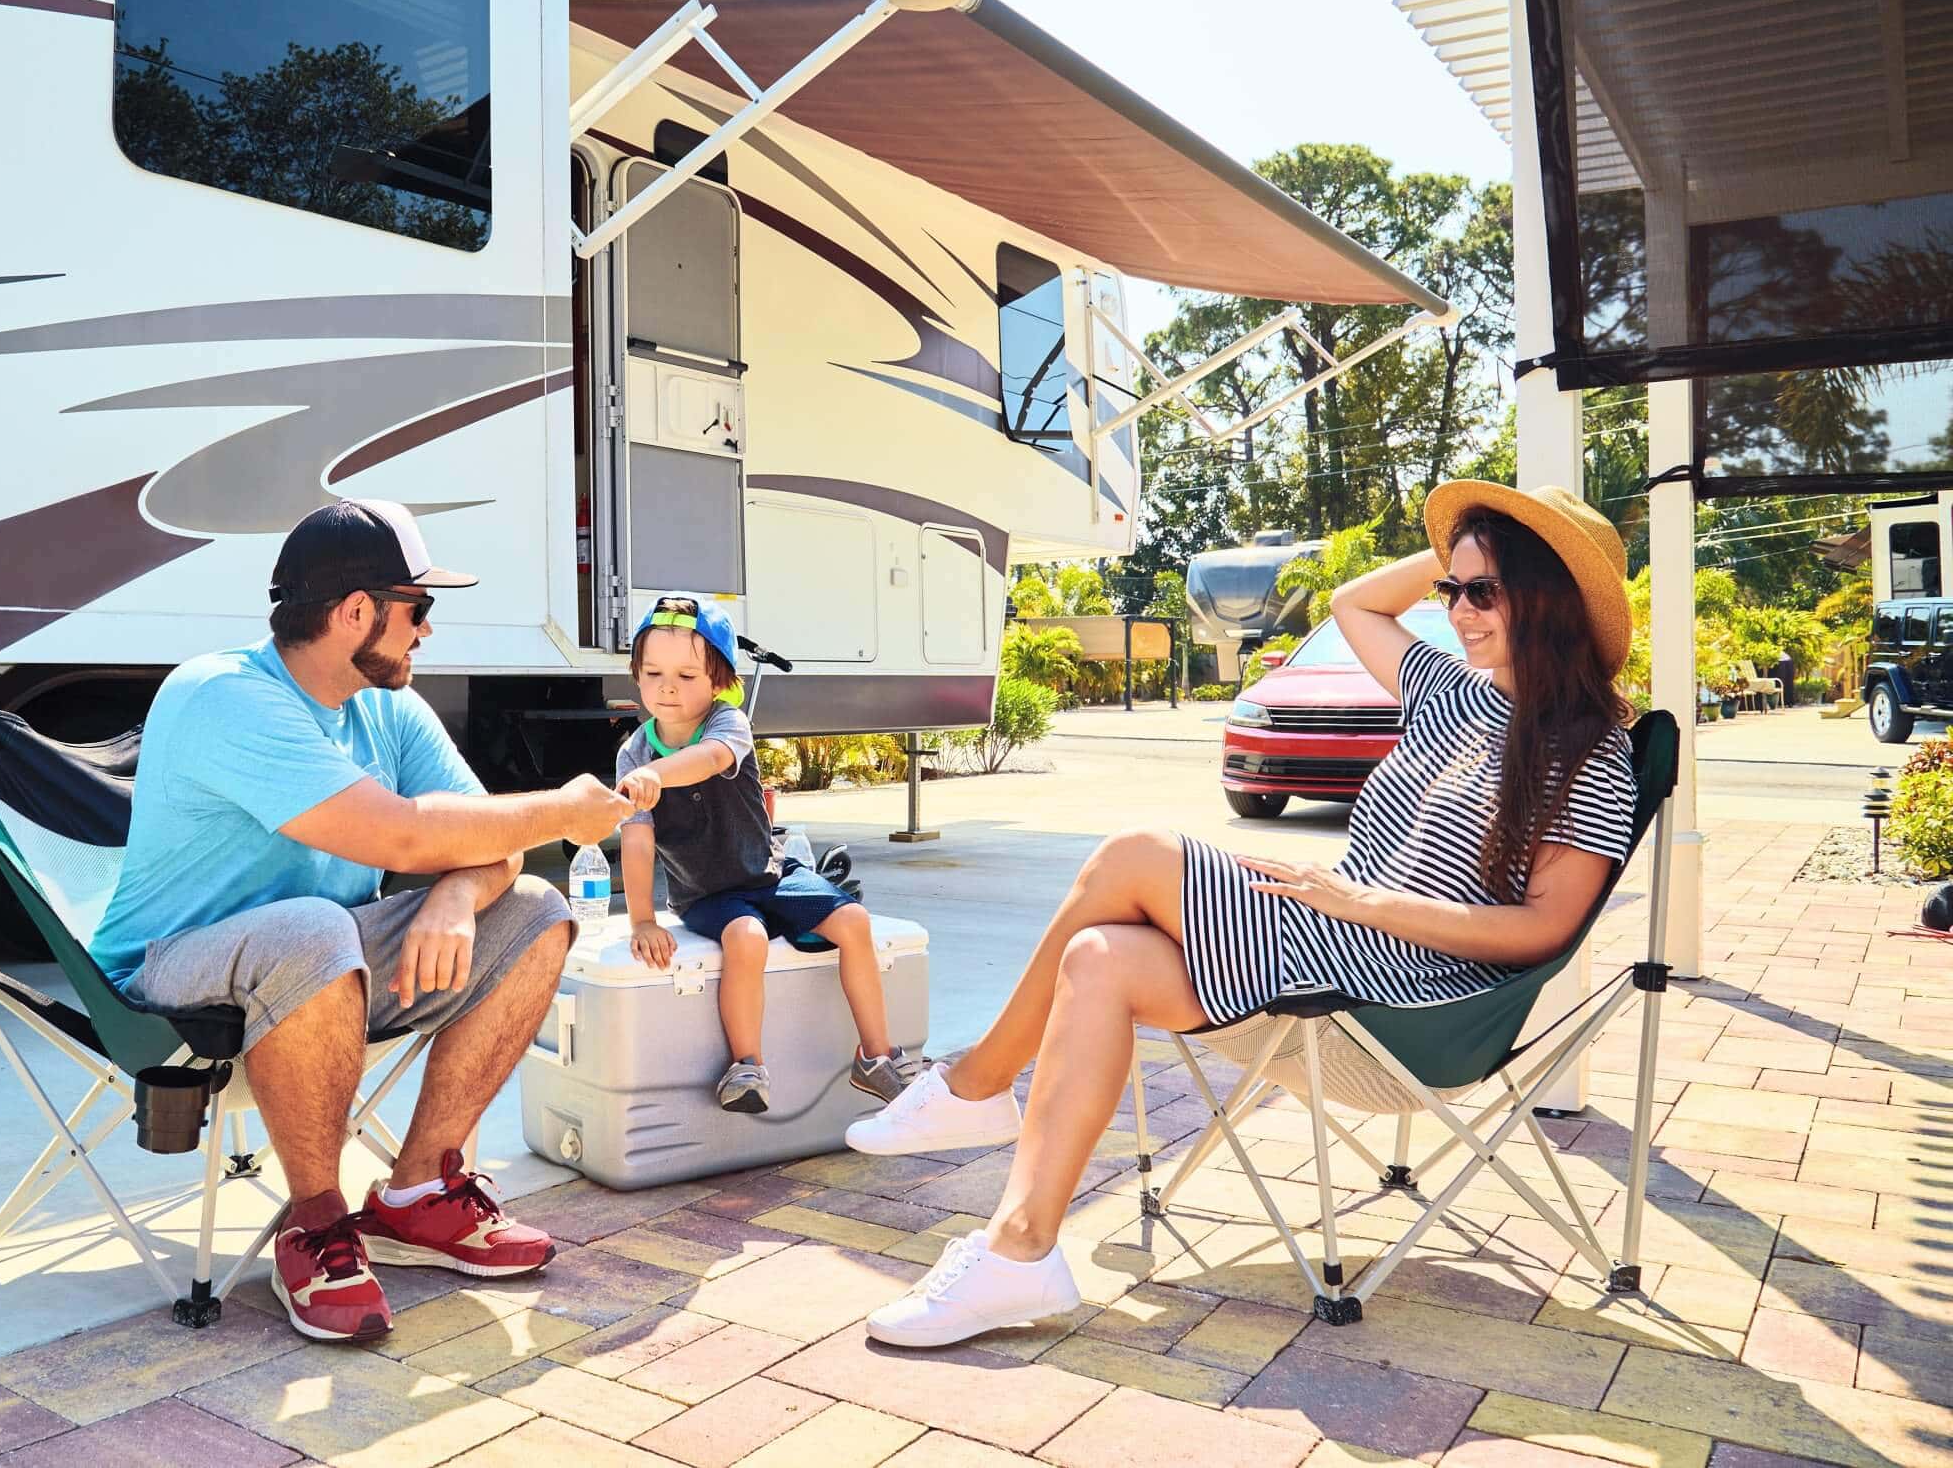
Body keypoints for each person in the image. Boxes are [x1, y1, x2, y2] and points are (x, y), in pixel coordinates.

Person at [850, 482, 1640, 1347]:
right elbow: (1355, 604)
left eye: (1482, 592)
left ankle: (975, 1083)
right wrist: (1466, 545)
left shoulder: (1588, 751)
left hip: (1405, 995)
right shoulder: (1457, 693)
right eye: (1452, 592)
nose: (1457, 611)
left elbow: (1543, 928)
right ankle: (1019, 1252)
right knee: (1098, 957)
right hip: (1331, 935)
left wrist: (1361, 901)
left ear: (1549, 595)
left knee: (1133, 855)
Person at [91, 498, 633, 1343]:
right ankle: (314, 1220)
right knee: (314, 923)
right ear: (355, 613)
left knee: (533, 910)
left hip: (322, 962)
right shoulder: (224, 696)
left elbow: (480, 834)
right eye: (417, 610)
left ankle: (417, 1193)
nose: (424, 632)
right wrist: (563, 809)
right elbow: (404, 832)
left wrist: (456, 893)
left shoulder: (389, 707)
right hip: (170, 975)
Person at [613, 595, 918, 1114]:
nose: (668, 686)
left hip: (769, 872)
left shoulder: (726, 723)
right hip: (707, 893)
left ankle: (876, 1057)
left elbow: (710, 760)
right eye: (653, 672)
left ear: (719, 682)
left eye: (687, 676)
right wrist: (642, 920)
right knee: (747, 938)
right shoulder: (634, 753)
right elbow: (637, 841)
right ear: (636, 675)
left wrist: (655, 777)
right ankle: (747, 1065)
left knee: (854, 921)